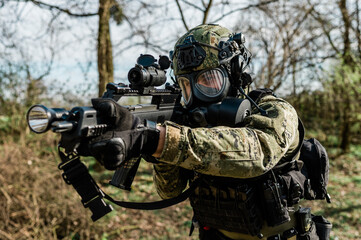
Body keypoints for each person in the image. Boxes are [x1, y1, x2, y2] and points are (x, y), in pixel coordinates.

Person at [87, 24, 326, 240]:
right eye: (186, 86)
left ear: (233, 72)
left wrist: (158, 139)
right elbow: (169, 190)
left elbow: (257, 154)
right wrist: (154, 145)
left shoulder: (275, 111)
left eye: (208, 80)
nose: (197, 94)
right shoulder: (189, 121)